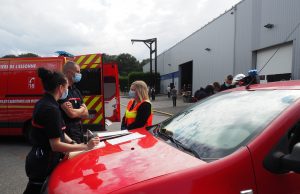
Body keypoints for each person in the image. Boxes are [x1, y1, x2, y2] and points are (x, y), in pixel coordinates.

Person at [23, 68, 99, 194]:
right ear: (60, 88)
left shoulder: (46, 103)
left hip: (38, 159)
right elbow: (55, 145)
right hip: (43, 163)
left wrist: (74, 143)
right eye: (66, 87)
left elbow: (58, 132)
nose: (67, 90)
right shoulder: (51, 109)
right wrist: (85, 146)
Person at [59, 61, 88, 143]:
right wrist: (82, 109)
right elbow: (71, 114)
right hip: (68, 136)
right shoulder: (62, 91)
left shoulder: (76, 90)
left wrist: (76, 111)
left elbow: (86, 114)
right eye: (78, 72)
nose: (79, 74)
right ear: (69, 73)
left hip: (79, 132)